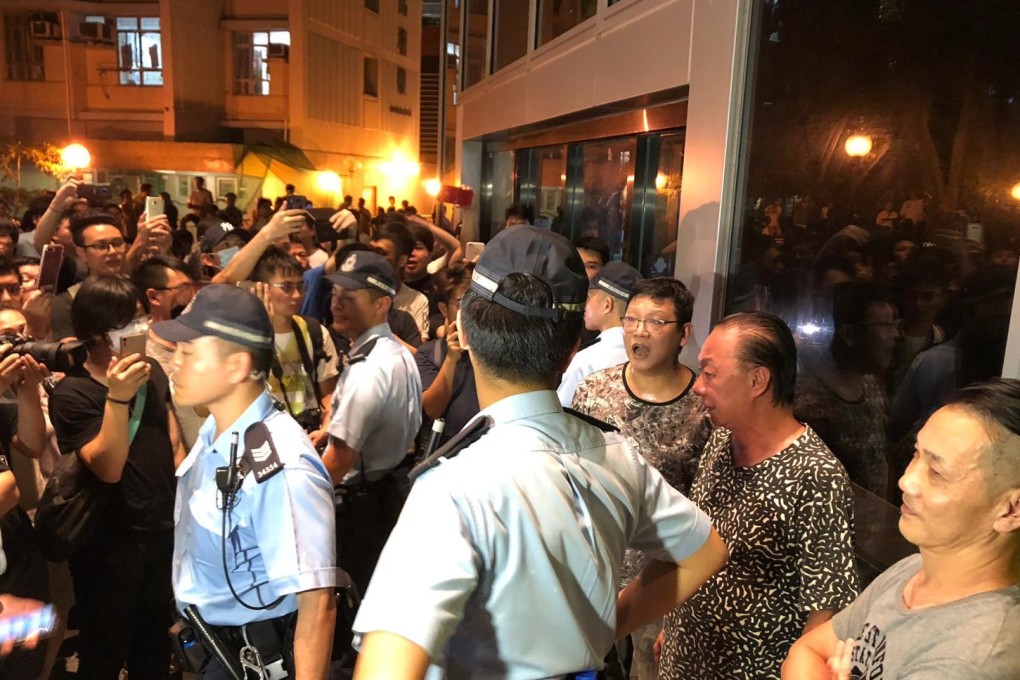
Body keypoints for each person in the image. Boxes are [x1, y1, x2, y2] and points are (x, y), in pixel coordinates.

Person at [350, 225, 728, 679]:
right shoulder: (618, 454)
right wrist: (607, 629)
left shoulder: (452, 487)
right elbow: (704, 552)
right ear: (571, 350)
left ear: (465, 332)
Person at [657, 311, 859, 680]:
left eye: (710, 373)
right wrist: (673, 626)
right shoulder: (721, 440)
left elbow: (826, 609)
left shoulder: (815, 475)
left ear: (757, 380)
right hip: (685, 659)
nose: (699, 386)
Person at [155, 284, 338, 679]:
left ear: (237, 366)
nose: (175, 365)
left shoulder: (281, 466)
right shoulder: (215, 433)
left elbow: (316, 603)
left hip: (253, 659)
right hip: (214, 648)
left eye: (189, 353)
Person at [783, 379, 1020, 680]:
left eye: (937, 472)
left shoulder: (975, 657)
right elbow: (807, 650)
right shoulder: (913, 569)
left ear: (1012, 509)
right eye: (916, 454)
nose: (906, 481)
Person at [571, 276, 713, 679]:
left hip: (661, 586)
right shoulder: (594, 389)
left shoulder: (702, 407)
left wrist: (681, 609)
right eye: (632, 320)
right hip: (595, 575)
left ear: (684, 333)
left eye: (655, 322)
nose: (640, 331)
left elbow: (706, 507)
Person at [49, 275, 185, 680]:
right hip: (107, 542)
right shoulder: (73, 393)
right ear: (96, 334)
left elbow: (173, 440)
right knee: (104, 651)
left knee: (155, 646)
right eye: (128, 323)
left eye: (140, 318)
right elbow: (107, 467)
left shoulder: (154, 371)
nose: (140, 330)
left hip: (160, 531)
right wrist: (118, 396)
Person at [321, 250, 422, 594]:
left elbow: (339, 462)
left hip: (361, 508)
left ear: (382, 305)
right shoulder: (397, 353)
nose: (336, 304)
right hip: (390, 490)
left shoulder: (368, 369)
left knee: (352, 597)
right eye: (335, 294)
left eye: (349, 298)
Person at [794, 283, 898, 498]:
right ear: (849, 334)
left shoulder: (871, 385)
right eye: (885, 325)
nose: (896, 334)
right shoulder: (809, 405)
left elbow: (881, 458)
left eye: (894, 324)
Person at [250, 248, 339, 449]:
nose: (297, 295)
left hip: (308, 437)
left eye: (301, 286)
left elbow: (327, 392)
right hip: (265, 440)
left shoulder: (314, 331)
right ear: (262, 288)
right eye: (286, 287)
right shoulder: (248, 337)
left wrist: (326, 425)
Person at [557, 261, 640, 407]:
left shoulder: (585, 360)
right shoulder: (644, 357)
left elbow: (562, 411)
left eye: (588, 298)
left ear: (607, 305)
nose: (585, 305)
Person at [414, 263, 479, 449]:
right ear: (444, 309)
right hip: (446, 451)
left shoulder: (494, 349)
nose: (469, 310)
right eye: (460, 303)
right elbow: (432, 410)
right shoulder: (428, 354)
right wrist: (451, 358)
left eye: (475, 301)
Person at [371, 223, 430, 342]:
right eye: (370, 251)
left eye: (382, 253)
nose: (372, 258)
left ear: (402, 260)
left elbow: (420, 355)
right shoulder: (357, 293)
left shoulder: (416, 300)